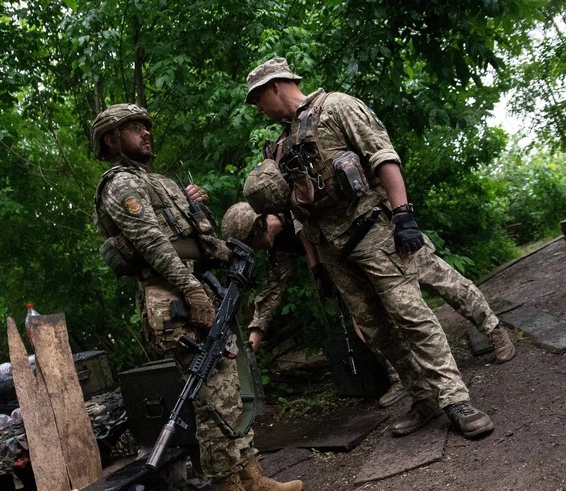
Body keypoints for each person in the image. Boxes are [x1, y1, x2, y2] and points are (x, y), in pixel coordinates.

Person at [241, 57, 495, 439]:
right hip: (334, 252)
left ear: (275, 86)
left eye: (257, 98)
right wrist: (317, 267)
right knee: (378, 331)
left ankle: (455, 399)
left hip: (373, 233)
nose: (257, 108)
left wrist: (403, 215)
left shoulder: (338, 107)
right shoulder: (277, 148)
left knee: (412, 316)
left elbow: (383, 155)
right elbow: (298, 216)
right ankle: (422, 398)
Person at [89, 103, 302, 491]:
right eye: (135, 128)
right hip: (171, 296)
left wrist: (211, 227)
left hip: (199, 287)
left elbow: (195, 241)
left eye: (146, 126)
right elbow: (151, 242)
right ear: (112, 138)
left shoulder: (160, 182)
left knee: (230, 390)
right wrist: (190, 289)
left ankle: (250, 477)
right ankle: (229, 484)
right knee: (212, 397)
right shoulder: (120, 184)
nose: (147, 133)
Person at [221, 199, 515, 407]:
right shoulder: (280, 248)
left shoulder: (295, 200)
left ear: (258, 226)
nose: (256, 250)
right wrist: (251, 347)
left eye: (252, 242)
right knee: (367, 321)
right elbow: (271, 293)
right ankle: (402, 377)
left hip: (382, 238)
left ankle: (494, 330)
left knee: (443, 280)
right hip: (349, 267)